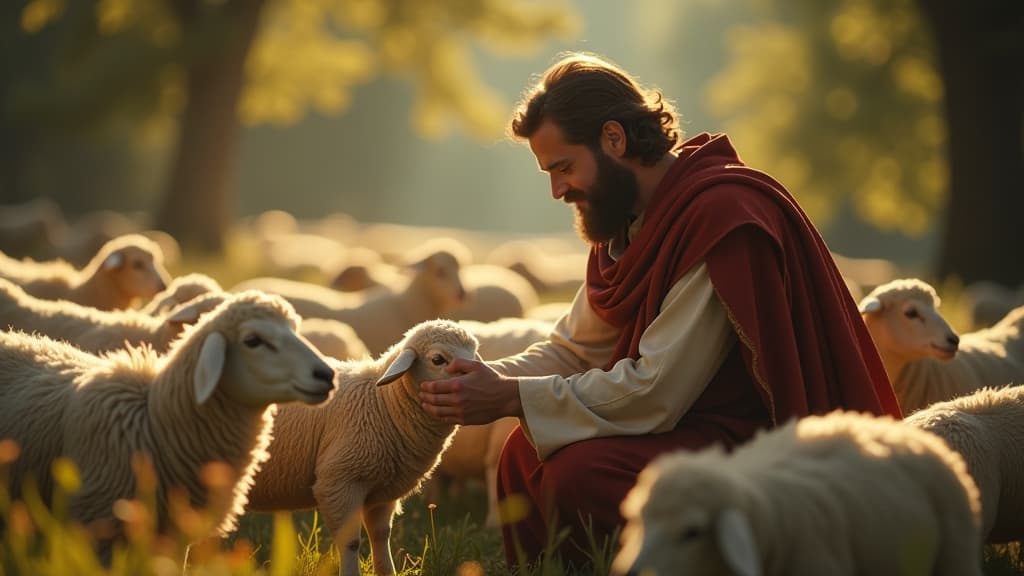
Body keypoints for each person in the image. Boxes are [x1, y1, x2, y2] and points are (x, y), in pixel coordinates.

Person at [419, 52, 901, 570]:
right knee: (521, 454)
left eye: (564, 167)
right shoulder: (625, 223)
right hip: (681, 428)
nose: (558, 190)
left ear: (614, 139)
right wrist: (486, 378)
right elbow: (575, 348)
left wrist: (510, 395)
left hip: (753, 443)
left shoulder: (720, 217)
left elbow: (657, 390)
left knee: (578, 475)